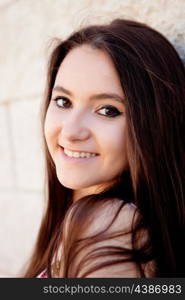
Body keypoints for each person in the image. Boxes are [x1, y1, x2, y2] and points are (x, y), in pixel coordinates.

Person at [23, 19, 185, 278]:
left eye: (108, 110)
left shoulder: (108, 224)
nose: (71, 131)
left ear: (154, 125)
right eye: (63, 101)